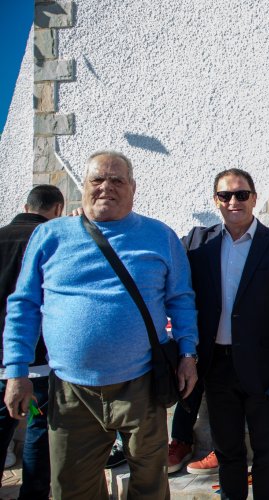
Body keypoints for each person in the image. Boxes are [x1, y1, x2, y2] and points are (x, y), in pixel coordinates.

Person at [2, 151, 199, 499]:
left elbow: (180, 300)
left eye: (117, 180)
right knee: (72, 487)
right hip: (70, 390)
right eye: (97, 179)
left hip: (142, 384)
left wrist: (188, 353)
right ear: (83, 186)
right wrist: (16, 371)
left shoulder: (160, 236)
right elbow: (24, 305)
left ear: (133, 188)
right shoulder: (50, 236)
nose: (106, 187)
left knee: (150, 484)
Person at [183, 168, 269, 499]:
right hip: (217, 366)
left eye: (241, 194)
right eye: (225, 195)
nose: (233, 201)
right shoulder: (198, 244)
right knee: (228, 452)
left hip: (264, 367)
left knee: (266, 452)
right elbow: (156, 258)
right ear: (215, 201)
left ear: (254, 198)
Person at [0, 185, 63, 497]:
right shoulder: (52, 243)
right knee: (40, 430)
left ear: (25, 206)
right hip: (39, 364)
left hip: (3, 363)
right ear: (58, 210)